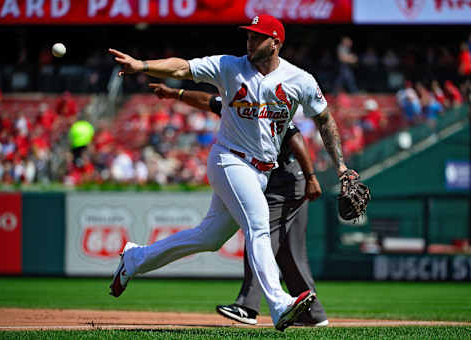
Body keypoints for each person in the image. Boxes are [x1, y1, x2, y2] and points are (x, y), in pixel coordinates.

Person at [108, 14, 355, 331]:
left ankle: (135, 259)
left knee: (207, 238)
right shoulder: (229, 66)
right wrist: (142, 66)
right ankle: (279, 304)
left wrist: (341, 166)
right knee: (258, 224)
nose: (250, 42)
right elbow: (183, 67)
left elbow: (324, 120)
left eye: (257, 37)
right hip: (230, 159)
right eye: (248, 36)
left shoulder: (300, 80)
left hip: (262, 171)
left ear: (276, 42)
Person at [148, 82, 328, 326]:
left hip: (286, 181)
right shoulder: (237, 105)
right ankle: (312, 315)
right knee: (290, 253)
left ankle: (247, 306)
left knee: (259, 237)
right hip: (285, 180)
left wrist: (311, 177)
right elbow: (206, 100)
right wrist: (175, 93)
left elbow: (295, 138)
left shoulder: (265, 109)